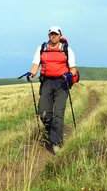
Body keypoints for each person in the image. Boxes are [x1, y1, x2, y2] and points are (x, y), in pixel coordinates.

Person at [26, 26, 78, 154]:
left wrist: (70, 75)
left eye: (56, 34)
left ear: (60, 36)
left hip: (62, 84)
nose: (53, 36)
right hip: (46, 82)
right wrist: (31, 74)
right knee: (43, 113)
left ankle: (57, 144)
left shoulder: (66, 49)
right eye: (51, 34)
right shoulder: (42, 48)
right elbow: (36, 65)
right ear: (49, 35)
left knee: (58, 115)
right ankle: (52, 132)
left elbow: (73, 69)